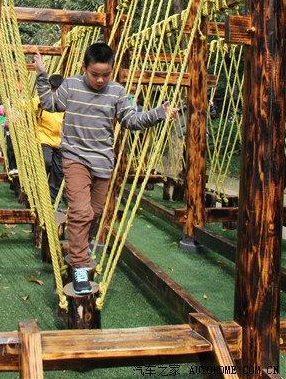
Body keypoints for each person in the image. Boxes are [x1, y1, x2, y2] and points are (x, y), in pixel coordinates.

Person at [34, 42, 178, 295]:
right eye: (94, 74)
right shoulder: (71, 85)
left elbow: (131, 120)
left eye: (105, 74)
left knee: (94, 213)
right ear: (84, 68)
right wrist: (41, 75)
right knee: (80, 211)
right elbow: (49, 104)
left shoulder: (117, 92)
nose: (100, 80)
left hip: (102, 162)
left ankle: (81, 244)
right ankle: (79, 267)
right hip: (75, 158)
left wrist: (158, 113)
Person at [33, 74, 64, 206]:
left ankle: (52, 201)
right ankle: (39, 190)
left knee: (59, 171)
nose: (55, 93)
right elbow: (24, 107)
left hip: (61, 142)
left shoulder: (66, 101)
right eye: (53, 90)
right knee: (46, 162)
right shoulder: (40, 100)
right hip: (44, 138)